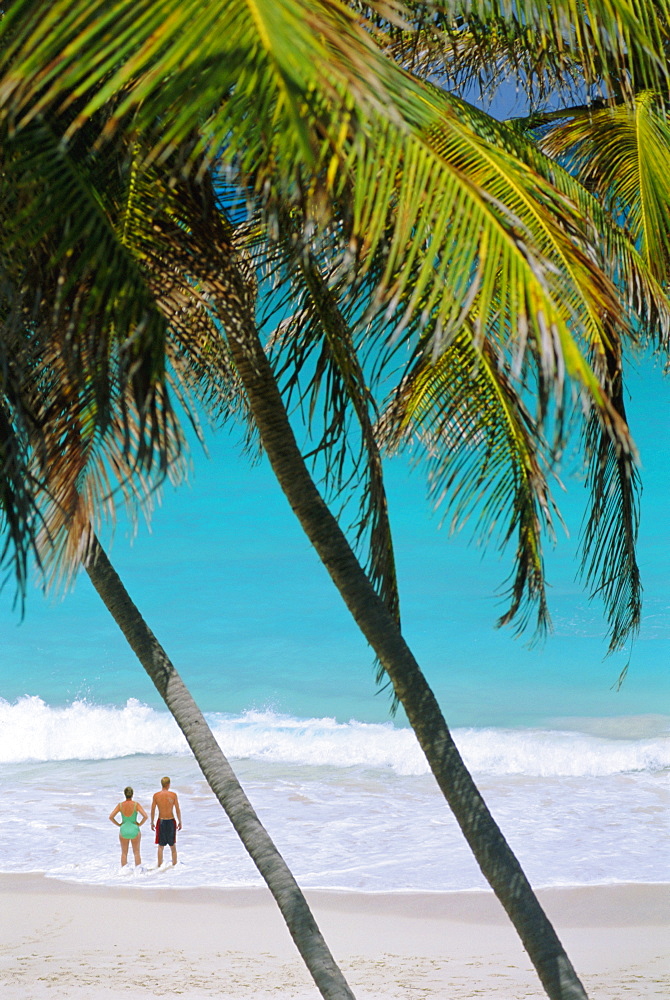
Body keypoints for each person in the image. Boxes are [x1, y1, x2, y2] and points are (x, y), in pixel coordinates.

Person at [109, 786, 148, 869]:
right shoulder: (136, 805)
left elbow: (111, 817)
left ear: (125, 794)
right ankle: (138, 872)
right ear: (132, 794)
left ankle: (124, 872)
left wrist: (119, 824)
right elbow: (145, 816)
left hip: (124, 829)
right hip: (134, 829)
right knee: (136, 852)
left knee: (124, 853)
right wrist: (139, 824)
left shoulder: (120, 805)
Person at [151, 776, 182, 867]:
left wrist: (152, 822)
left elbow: (153, 810)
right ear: (168, 784)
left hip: (161, 821)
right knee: (173, 846)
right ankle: (174, 865)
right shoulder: (173, 795)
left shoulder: (156, 795)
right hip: (171, 821)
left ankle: (159, 865)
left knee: (161, 846)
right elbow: (177, 809)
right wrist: (180, 821)